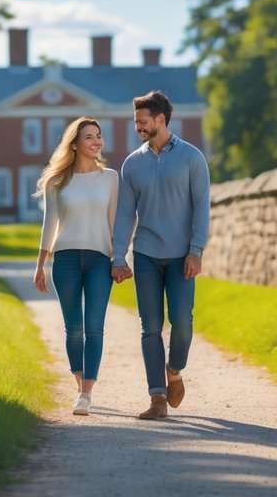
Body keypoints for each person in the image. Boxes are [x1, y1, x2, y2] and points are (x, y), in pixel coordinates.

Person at [111, 90, 211, 419]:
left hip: (182, 255)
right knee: (150, 327)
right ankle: (157, 398)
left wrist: (196, 250)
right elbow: (125, 213)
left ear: (160, 120)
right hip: (147, 255)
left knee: (182, 322)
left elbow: (202, 209)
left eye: (142, 121)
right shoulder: (132, 164)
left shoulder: (192, 158)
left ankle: (174, 370)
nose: (138, 126)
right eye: (136, 121)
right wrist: (118, 255)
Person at [33, 117, 119, 417]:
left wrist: (120, 258)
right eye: (89, 137)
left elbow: (114, 222)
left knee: (94, 327)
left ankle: (85, 394)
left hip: (99, 260)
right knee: (74, 329)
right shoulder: (57, 182)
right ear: (75, 144)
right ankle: (79, 383)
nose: (96, 141)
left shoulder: (110, 178)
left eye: (99, 136)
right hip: (65, 259)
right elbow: (49, 225)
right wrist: (40, 264)